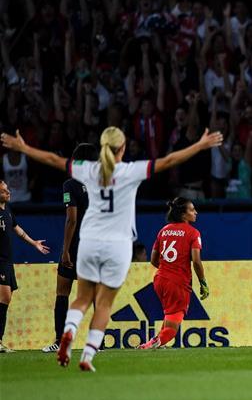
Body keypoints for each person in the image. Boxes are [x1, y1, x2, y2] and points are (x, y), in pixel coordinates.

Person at [0, 126, 222, 371]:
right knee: (103, 303)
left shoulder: (87, 172)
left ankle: (66, 336)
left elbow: (53, 160)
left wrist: (23, 148)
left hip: (88, 241)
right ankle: (88, 354)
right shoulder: (130, 170)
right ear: (123, 149)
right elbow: (169, 160)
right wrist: (201, 145)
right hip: (117, 245)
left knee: (81, 298)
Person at [43, 144, 96, 354]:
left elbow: (71, 219)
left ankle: (60, 340)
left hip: (75, 247)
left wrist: (65, 250)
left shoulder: (70, 185)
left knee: (62, 293)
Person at [139, 197, 209, 349]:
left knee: (169, 315)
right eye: (192, 210)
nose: (195, 212)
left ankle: (156, 342)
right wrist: (202, 282)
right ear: (183, 215)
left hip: (160, 279)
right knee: (173, 327)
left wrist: (167, 269)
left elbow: (153, 259)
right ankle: (150, 345)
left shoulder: (163, 231)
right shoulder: (193, 233)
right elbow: (196, 261)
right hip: (177, 282)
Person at [0, 180, 51, 352]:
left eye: (7, 190)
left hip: (8, 261)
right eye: (4, 191)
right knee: (4, 298)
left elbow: (17, 229)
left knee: (7, 298)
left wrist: (34, 243)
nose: (9, 193)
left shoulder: (7, 210)